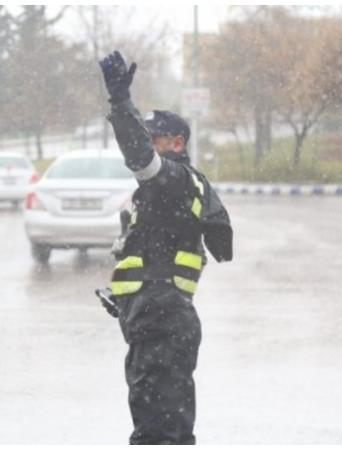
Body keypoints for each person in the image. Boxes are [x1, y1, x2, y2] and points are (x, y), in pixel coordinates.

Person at [97, 50, 233, 445]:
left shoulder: (173, 180)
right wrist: (125, 298)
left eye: (153, 137)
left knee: (158, 434)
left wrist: (121, 105)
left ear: (177, 142)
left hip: (163, 324)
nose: (146, 144)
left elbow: (139, 156)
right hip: (156, 322)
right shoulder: (163, 192)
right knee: (164, 428)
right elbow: (154, 254)